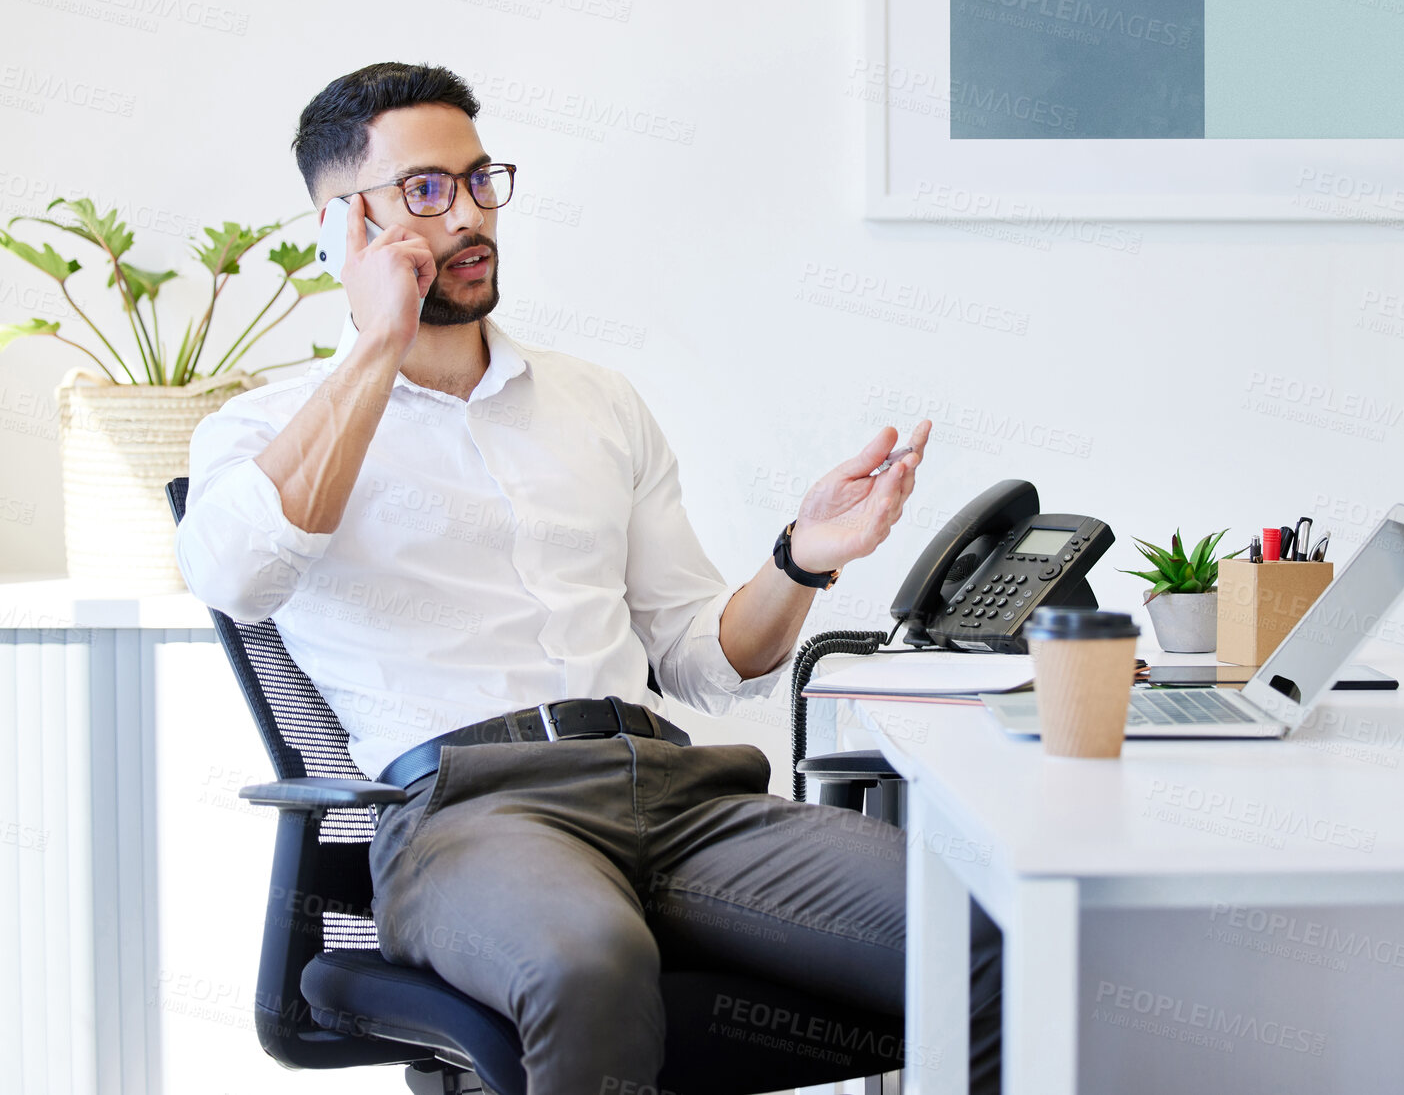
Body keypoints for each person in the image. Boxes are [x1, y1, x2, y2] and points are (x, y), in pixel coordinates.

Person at [175, 62, 1001, 1094]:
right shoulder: (262, 427)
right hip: (469, 812)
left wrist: (800, 557)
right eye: (427, 190)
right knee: (587, 963)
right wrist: (378, 342)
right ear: (343, 225)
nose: (470, 214)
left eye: (481, 180)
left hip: (678, 793)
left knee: (991, 932)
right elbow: (236, 575)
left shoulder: (595, 403)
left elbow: (706, 656)